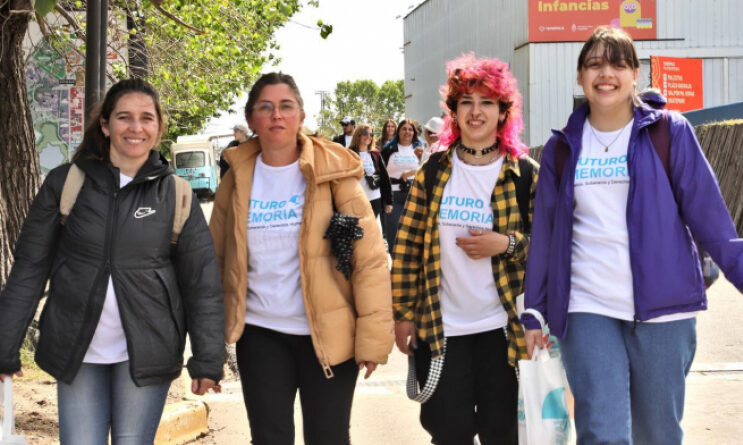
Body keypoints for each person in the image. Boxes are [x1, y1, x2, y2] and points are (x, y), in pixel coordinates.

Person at [522, 26, 743, 445]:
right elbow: (546, 233)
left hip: (663, 309)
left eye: (618, 64)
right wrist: (535, 307)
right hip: (587, 305)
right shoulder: (562, 148)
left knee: (657, 433)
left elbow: (711, 218)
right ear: (580, 76)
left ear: (635, 74)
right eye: (594, 64)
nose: (606, 73)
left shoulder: (669, 132)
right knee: (601, 432)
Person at [0, 78, 225, 445]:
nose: (136, 127)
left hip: (148, 352)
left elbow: (202, 284)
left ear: (158, 127)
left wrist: (208, 358)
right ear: (105, 125)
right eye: (124, 117)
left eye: (146, 118)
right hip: (77, 351)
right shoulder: (66, 183)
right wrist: (4, 344)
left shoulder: (176, 194)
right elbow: (30, 267)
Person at [209, 72, 394, 445]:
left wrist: (373, 337)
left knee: (328, 437)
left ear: (302, 116)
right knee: (269, 437)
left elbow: (370, 260)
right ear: (251, 119)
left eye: (286, 106)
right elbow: (215, 260)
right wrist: (208, 344)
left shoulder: (334, 172)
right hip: (260, 335)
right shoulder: (236, 178)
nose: (276, 115)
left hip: (330, 333)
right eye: (266, 107)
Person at [392, 54, 537, 445]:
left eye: (487, 102)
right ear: (453, 111)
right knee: (448, 433)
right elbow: (407, 248)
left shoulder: (524, 173)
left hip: (503, 331)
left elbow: (551, 250)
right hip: (443, 328)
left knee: (502, 434)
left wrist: (505, 244)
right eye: (466, 102)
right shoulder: (433, 171)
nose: (476, 112)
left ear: (503, 112)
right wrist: (403, 313)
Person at [380, 118, 421, 252]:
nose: (407, 132)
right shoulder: (389, 149)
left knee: (413, 233)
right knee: (394, 232)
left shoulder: (419, 148)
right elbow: (380, 172)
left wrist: (410, 173)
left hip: (414, 195)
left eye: (410, 129)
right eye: (404, 129)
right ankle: (395, 260)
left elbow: (427, 169)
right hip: (393, 196)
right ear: (398, 132)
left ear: (414, 133)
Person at [348, 124, 393, 217]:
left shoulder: (375, 153)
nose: (368, 136)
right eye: (365, 133)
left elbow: (385, 177)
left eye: (371, 134)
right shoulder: (349, 153)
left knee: (371, 225)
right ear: (358, 135)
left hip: (374, 198)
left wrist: (389, 201)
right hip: (356, 199)